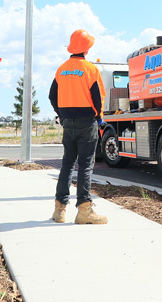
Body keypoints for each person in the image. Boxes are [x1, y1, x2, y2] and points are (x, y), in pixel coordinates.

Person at [49, 29, 108, 224]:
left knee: (67, 164)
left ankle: (59, 210)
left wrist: (62, 115)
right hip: (87, 123)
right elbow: (98, 99)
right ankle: (84, 210)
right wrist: (99, 119)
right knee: (85, 166)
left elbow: (52, 96)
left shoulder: (61, 69)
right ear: (86, 49)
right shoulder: (90, 69)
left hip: (68, 124)